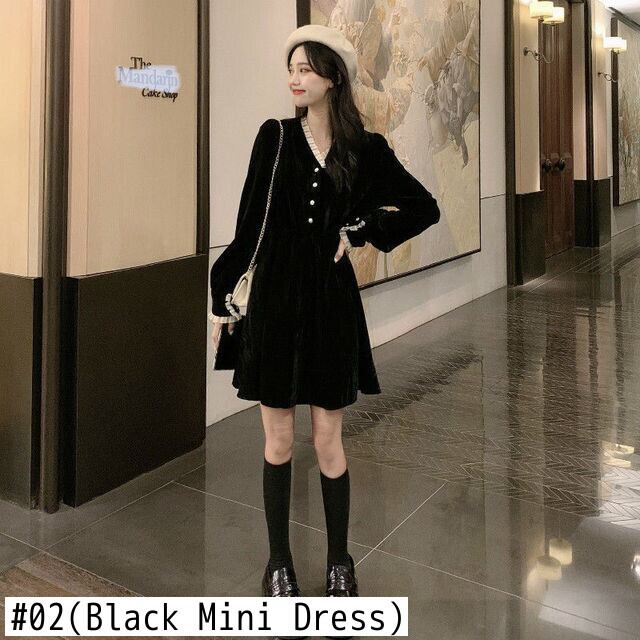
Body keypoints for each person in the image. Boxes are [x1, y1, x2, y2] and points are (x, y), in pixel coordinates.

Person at [209, 23, 440, 611]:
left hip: (332, 305)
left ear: (333, 77)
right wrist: (222, 295)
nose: (295, 78)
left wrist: (361, 230)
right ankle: (279, 561)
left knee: (329, 439)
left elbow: (423, 207)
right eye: (291, 68)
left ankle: (340, 558)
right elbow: (249, 225)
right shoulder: (274, 138)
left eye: (306, 69)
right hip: (275, 302)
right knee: (278, 439)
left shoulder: (366, 149)